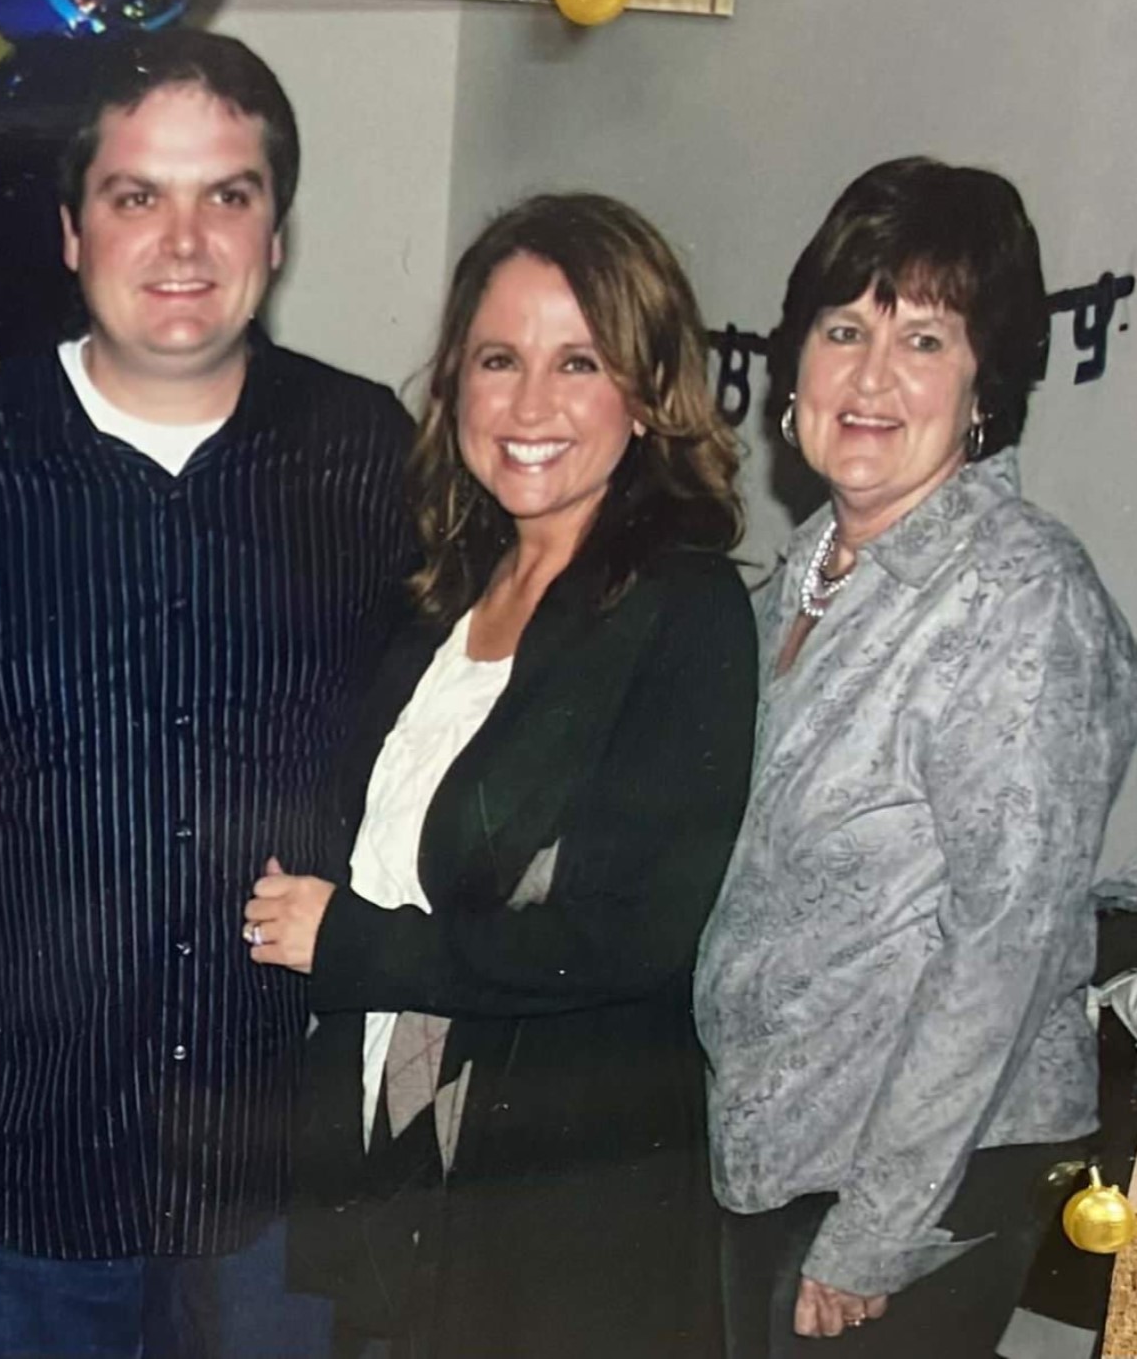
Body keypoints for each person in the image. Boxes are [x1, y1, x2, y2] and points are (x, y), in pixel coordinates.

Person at [0, 28, 415, 1359]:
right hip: (16, 1180)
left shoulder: (369, 455)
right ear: (71, 231)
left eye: (226, 195)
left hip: (275, 1185)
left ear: (275, 233)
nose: (183, 242)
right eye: (137, 195)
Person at [243, 194, 755, 1357]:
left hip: (557, 1214)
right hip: (391, 1165)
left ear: (645, 392)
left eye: (577, 362)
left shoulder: (682, 609)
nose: (527, 407)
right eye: (497, 360)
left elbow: (627, 935)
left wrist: (354, 943)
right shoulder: (441, 590)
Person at [696, 157, 1137, 1358]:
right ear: (793, 364)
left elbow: (1004, 946)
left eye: (924, 340)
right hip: (773, 1159)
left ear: (984, 384)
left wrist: (873, 1234)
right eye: (843, 329)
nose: (870, 376)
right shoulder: (791, 584)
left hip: (901, 1192)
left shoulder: (1017, 595)